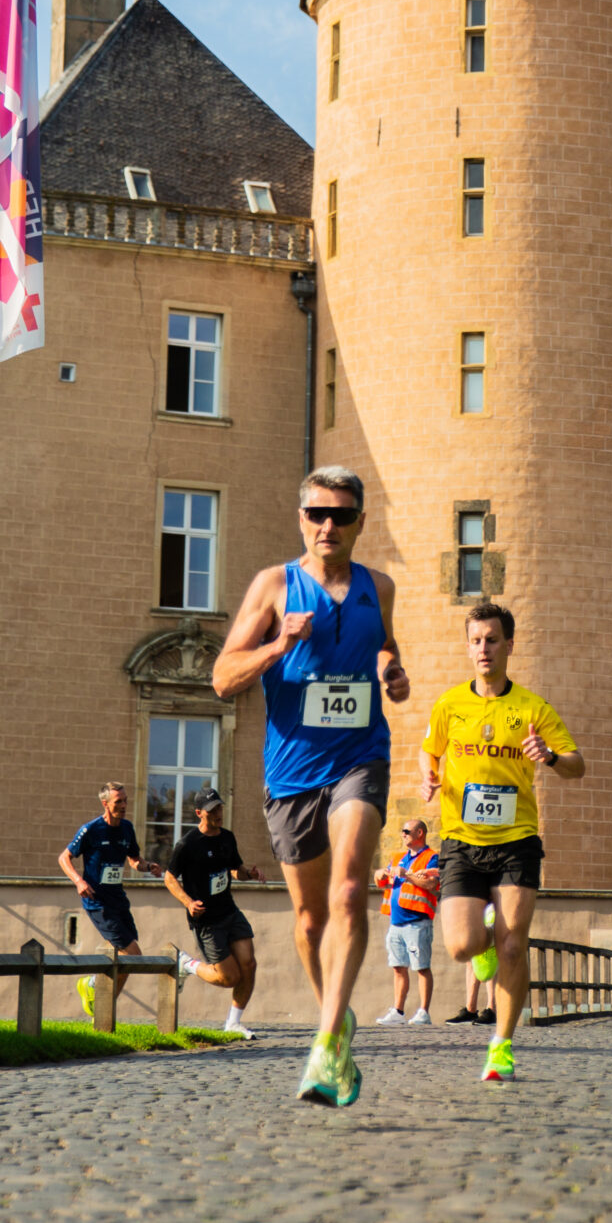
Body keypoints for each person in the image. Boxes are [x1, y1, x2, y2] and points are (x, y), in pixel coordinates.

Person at [214, 465, 409, 1107]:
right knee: (309, 917)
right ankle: (337, 1015)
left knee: (350, 890)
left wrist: (392, 671)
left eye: (342, 515)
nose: (329, 525)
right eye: (318, 514)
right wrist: (278, 645)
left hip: (360, 757)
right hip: (293, 771)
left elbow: (384, 645)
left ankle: (326, 1043)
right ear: (302, 519)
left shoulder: (379, 587)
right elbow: (223, 677)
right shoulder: (274, 585)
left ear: (360, 522)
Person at [422, 601, 584, 1086]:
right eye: (476, 640)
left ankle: (502, 1046)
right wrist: (429, 775)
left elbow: (577, 765)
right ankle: (482, 946)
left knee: (514, 945)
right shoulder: (450, 705)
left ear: (509, 645)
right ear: (468, 647)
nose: (484, 649)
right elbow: (428, 751)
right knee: (461, 946)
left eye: (492, 640)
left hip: (516, 840)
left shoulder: (533, 708)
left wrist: (549, 756)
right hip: (461, 840)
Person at [163, 789, 264, 1034]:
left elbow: (235, 869)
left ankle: (233, 1023)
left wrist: (249, 874)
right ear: (199, 813)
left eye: (219, 808)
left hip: (230, 911)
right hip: (206, 920)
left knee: (249, 965)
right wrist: (188, 902)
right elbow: (169, 878)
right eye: (212, 810)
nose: (218, 813)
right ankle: (187, 964)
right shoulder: (187, 844)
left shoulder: (227, 837)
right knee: (229, 978)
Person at [59, 781, 156, 1021]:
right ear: (105, 804)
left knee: (124, 959)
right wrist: (79, 881)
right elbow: (64, 858)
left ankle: (102, 1011)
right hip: (98, 903)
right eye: (118, 802)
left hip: (118, 901)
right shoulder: (91, 829)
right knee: (133, 955)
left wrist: (147, 867)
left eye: (125, 801)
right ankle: (91, 983)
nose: (124, 806)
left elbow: (134, 860)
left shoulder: (127, 828)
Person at [373, 818, 440, 1024]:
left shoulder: (431, 857)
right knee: (398, 967)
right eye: (402, 831)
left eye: (406, 831)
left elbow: (431, 884)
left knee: (421, 967)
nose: (403, 834)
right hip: (396, 922)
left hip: (417, 922)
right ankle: (398, 1011)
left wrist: (408, 875)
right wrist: (378, 874)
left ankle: (423, 1012)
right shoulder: (397, 858)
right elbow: (383, 883)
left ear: (420, 833)